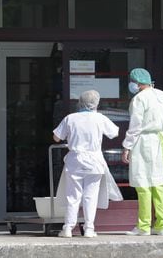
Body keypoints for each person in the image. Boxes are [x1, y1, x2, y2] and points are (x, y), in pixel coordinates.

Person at [53, 90, 123, 238]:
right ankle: (89, 228)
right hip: (94, 161)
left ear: (80, 102)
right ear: (96, 103)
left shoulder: (70, 118)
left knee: (72, 196)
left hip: (75, 161)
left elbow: (56, 137)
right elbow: (114, 132)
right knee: (90, 196)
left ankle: (67, 228)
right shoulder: (100, 118)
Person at [122, 68, 163, 236]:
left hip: (143, 141)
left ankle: (143, 226)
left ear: (137, 83)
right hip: (161, 139)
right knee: (159, 183)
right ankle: (161, 225)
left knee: (143, 183)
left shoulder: (139, 99)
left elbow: (135, 126)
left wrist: (127, 147)